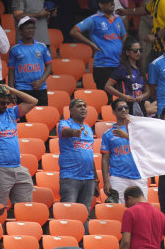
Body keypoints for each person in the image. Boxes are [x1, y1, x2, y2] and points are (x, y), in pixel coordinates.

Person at [0, 84, 37, 206]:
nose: (5, 105)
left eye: (7, 102)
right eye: (2, 102)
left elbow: (33, 101)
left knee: (25, 207)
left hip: (17, 167)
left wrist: (11, 90)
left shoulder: (11, 113)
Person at [57, 98, 99, 231]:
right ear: (71, 110)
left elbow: (89, 154)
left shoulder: (88, 129)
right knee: (69, 215)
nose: (83, 108)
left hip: (88, 178)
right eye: (79, 106)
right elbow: (64, 132)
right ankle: (68, 243)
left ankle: (82, 246)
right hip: (70, 177)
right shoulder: (65, 123)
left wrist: (96, 178)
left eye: (85, 106)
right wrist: (73, 132)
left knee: (84, 214)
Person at [71, 0, 126, 90]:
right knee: (106, 96)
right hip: (103, 65)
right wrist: (91, 44)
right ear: (101, 5)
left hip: (119, 63)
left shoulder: (118, 18)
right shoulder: (94, 19)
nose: (112, 4)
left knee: (122, 96)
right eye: (109, 2)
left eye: (112, 2)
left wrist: (125, 52)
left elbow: (124, 36)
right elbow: (74, 31)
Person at [101, 99, 149, 204]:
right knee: (120, 209)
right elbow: (105, 159)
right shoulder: (108, 134)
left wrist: (126, 137)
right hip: (118, 177)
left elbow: (145, 147)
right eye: (120, 108)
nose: (123, 110)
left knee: (141, 208)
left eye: (126, 107)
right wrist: (106, 181)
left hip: (139, 175)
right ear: (114, 112)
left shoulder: (138, 129)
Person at [7, 16, 52, 106]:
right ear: (20, 31)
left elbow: (49, 65)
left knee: (41, 117)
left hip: (40, 87)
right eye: (28, 28)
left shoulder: (42, 46)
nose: (31, 30)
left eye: (32, 28)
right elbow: (11, 71)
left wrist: (41, 81)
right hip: (22, 89)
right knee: (24, 118)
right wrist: (11, 90)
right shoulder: (14, 49)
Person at [105, 37, 152, 115]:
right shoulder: (122, 68)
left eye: (140, 50)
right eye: (135, 50)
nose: (138, 53)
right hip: (126, 106)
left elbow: (148, 91)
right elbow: (108, 86)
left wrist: (142, 96)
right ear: (127, 52)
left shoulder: (141, 69)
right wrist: (123, 96)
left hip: (140, 105)